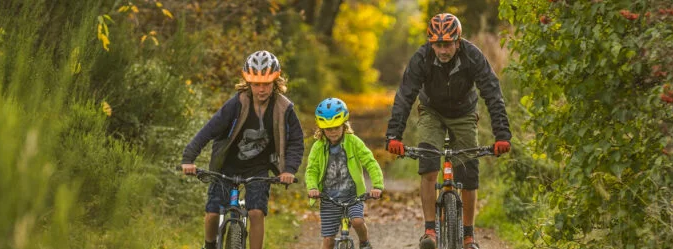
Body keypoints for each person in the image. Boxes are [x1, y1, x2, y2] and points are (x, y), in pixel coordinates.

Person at [384, 13, 512, 249]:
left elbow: (492, 92)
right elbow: (405, 95)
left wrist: (502, 134)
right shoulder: (421, 58)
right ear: (431, 43)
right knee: (428, 162)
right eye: (438, 45)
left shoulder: (472, 56)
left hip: (464, 112)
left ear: (458, 41)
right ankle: (430, 230)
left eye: (448, 44)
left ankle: (468, 235)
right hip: (431, 111)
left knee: (469, 170)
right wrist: (394, 136)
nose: (443, 50)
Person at [181, 50, 303, 249]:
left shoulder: (284, 108)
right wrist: (188, 159)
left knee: (256, 212)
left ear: (276, 81)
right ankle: (209, 245)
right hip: (226, 165)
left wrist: (289, 170)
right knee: (213, 212)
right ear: (248, 82)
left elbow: (296, 141)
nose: (261, 89)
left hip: (258, 169)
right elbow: (209, 130)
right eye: (256, 84)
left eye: (266, 84)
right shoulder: (237, 104)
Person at [304, 98, 385, 249]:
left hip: (353, 196)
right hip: (329, 198)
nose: (332, 132)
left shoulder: (353, 142)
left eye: (336, 128)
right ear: (321, 129)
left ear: (344, 125)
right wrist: (312, 187)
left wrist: (377, 186)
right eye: (328, 129)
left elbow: (370, 162)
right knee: (328, 240)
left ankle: (364, 242)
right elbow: (312, 170)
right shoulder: (318, 147)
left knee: (357, 221)